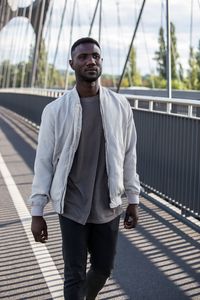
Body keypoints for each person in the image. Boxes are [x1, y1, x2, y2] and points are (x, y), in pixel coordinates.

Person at [29, 37, 140, 300]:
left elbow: (129, 155)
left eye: (95, 56)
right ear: (72, 64)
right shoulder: (55, 111)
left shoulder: (120, 106)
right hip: (72, 207)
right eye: (83, 57)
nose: (91, 60)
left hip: (108, 206)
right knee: (74, 275)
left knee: (103, 269)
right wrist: (37, 210)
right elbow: (43, 162)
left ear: (101, 61)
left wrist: (133, 199)